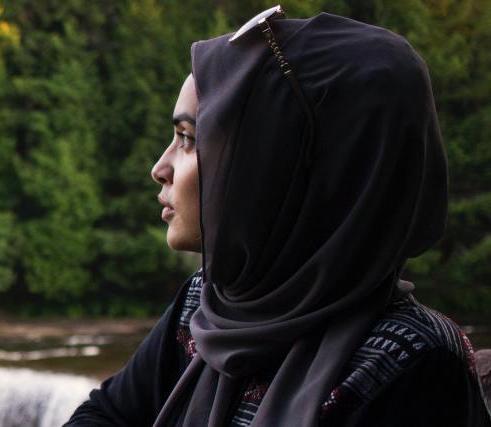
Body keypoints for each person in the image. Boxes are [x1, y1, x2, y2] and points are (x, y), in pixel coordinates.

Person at [64, 7, 491, 427]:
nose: (160, 168)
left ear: (276, 167)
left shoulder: (410, 359)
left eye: (188, 139)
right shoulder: (208, 302)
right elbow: (106, 415)